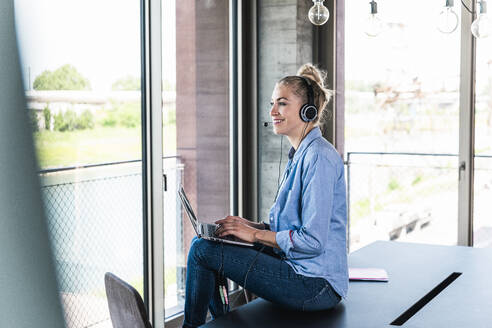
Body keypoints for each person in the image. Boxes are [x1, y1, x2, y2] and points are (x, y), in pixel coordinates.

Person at [182, 64, 348, 328]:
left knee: (203, 251)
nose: (272, 112)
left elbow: (313, 241)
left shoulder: (319, 157)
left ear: (308, 111)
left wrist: (255, 236)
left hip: (316, 286)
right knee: (209, 244)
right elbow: (292, 228)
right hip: (297, 268)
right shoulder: (301, 156)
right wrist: (248, 227)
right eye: (272, 103)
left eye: (282, 104)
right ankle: (221, 322)